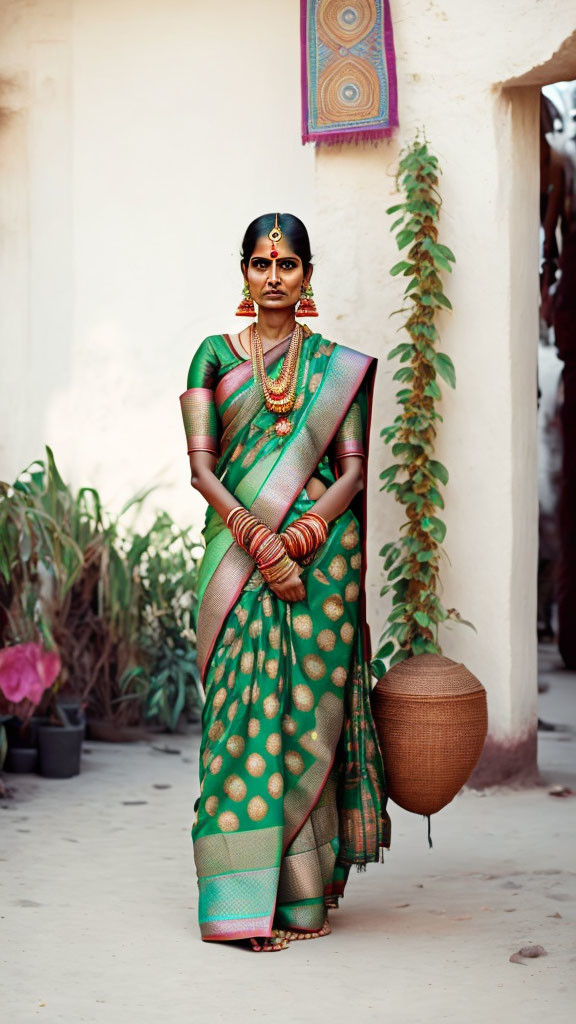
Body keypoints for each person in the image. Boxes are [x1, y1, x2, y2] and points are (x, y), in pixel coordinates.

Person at [180, 212, 390, 952]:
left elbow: (355, 471)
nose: (275, 278)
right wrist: (259, 541)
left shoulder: (338, 366)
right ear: (244, 272)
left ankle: (299, 901)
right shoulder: (211, 356)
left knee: (306, 719)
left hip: (320, 560)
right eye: (263, 265)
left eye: (289, 265)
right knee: (239, 721)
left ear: (307, 277)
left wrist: (300, 535)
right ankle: (237, 904)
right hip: (239, 563)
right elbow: (203, 470)